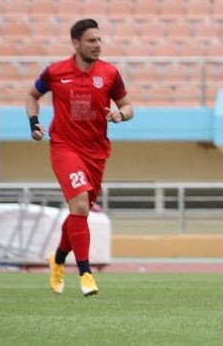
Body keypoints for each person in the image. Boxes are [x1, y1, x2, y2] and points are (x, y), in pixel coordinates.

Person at [25, 18, 133, 296]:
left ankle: (57, 260)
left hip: (96, 151)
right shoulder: (56, 72)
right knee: (81, 205)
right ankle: (85, 272)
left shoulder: (109, 73)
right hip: (64, 147)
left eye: (99, 40)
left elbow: (128, 106)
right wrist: (34, 123)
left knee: (79, 210)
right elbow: (31, 95)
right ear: (76, 43)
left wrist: (119, 114)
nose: (98, 45)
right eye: (91, 40)